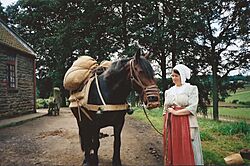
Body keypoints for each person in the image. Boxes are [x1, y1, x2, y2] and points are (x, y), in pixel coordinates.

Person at [163, 64, 204, 166]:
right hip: (172, 122)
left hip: (186, 121)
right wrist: (166, 123)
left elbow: (192, 107)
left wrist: (176, 112)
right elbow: (165, 108)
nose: (174, 78)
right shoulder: (169, 91)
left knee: (187, 145)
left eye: (176, 76)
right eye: (172, 76)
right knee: (174, 145)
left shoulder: (191, 89)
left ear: (182, 76)